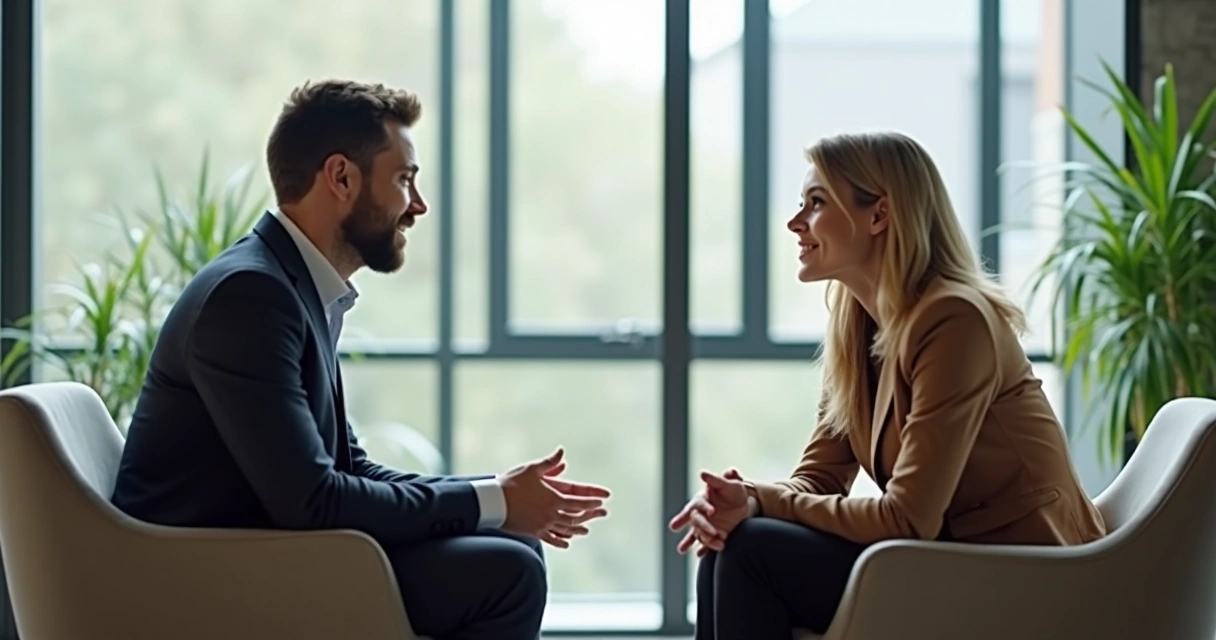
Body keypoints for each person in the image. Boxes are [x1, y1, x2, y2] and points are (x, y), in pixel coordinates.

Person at [111, 79, 610, 640]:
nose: (417, 206)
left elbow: (347, 466)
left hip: (260, 552)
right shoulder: (250, 297)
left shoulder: (289, 285)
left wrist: (500, 496)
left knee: (514, 543)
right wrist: (490, 500)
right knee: (506, 571)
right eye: (404, 180)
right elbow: (314, 499)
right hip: (208, 579)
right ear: (341, 177)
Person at [669, 131, 1106, 640]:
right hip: (948, 557)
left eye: (816, 203)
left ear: (878, 216)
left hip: (1025, 575)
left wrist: (759, 499)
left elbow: (907, 517)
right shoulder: (858, 323)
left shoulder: (954, 320)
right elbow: (819, 478)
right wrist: (738, 505)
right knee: (732, 541)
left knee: (752, 550)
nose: (794, 223)